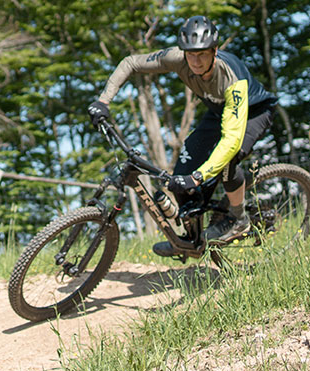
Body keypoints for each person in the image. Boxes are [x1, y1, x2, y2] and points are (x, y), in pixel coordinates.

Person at [86, 16, 281, 251]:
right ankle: (190, 241)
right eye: (191, 54)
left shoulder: (232, 78)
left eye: (202, 54)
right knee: (179, 177)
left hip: (254, 111)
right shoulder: (176, 58)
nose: (196, 61)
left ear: (215, 51)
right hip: (219, 109)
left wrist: (198, 177)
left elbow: (231, 140)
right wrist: (103, 101)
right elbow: (131, 63)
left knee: (229, 160)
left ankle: (239, 219)